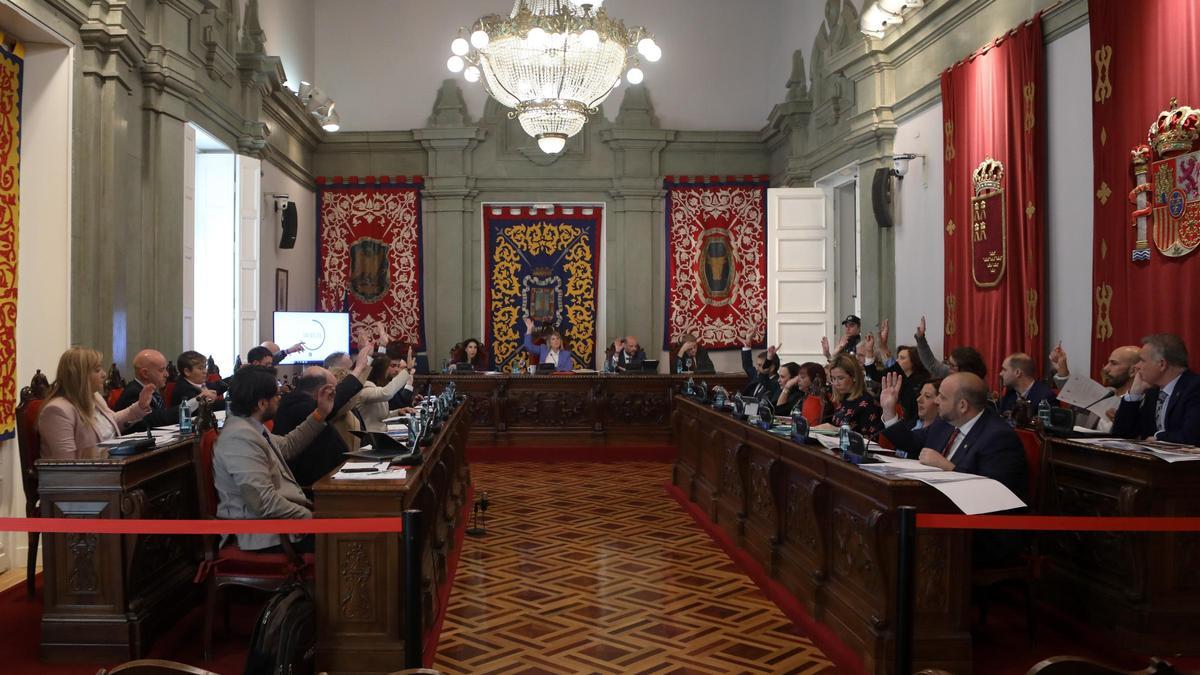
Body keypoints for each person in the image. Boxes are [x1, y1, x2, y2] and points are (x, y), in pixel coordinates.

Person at [881, 372, 1029, 565]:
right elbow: (913, 442)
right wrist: (889, 410)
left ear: (962, 405)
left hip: (980, 531)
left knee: (899, 535)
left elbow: (994, 495)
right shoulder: (945, 423)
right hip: (939, 509)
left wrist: (948, 467)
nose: (936, 402)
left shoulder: (998, 437)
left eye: (942, 397)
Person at [212, 365, 336, 553]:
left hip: (280, 524)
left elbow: (287, 446)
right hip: (265, 536)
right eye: (276, 395)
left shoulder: (250, 427)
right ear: (262, 403)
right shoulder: (239, 437)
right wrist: (310, 517)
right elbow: (262, 501)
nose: (280, 398)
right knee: (348, 540)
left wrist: (320, 413)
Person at [272, 346, 371, 487]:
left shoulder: (300, 401)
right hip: (316, 485)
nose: (334, 395)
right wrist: (359, 368)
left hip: (332, 476)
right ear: (323, 391)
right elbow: (339, 400)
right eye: (332, 391)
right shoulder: (298, 405)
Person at [38, 347, 155, 459]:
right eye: (97, 370)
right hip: (84, 476)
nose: (104, 374)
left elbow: (112, 421)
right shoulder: (57, 411)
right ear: (80, 375)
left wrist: (140, 407)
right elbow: (67, 463)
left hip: (110, 466)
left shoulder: (94, 396)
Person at [1112, 333, 1200, 445]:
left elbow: (1192, 437)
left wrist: (1158, 437)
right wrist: (1134, 395)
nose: (1137, 366)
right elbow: (1122, 435)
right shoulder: (1153, 391)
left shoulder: (1195, 388)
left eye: (1142, 361)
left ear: (1162, 364)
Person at [1048, 343, 1140, 432]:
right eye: (1108, 363)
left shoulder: (1141, 404)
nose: (1106, 369)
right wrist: (1061, 367)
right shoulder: (1106, 393)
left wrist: (1122, 423)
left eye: (1114, 363)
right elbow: (1072, 393)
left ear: (1133, 371)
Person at [114, 349, 213, 431]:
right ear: (145, 373)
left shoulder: (153, 391)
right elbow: (159, 419)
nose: (167, 374)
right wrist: (197, 400)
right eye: (161, 370)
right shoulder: (134, 392)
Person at [816, 353, 883, 440]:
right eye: (833, 378)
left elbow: (870, 439)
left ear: (854, 377)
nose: (836, 383)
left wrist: (837, 430)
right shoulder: (844, 398)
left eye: (840, 378)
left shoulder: (867, 403)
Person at [912, 315, 988, 380]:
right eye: (948, 363)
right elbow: (932, 365)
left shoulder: (976, 389)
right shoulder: (950, 372)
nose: (948, 368)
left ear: (966, 369)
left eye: (952, 365)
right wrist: (921, 338)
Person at [353, 355, 415, 431]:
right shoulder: (364, 388)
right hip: (370, 438)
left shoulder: (377, 387)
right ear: (380, 370)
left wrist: (398, 412)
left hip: (382, 433)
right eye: (390, 366)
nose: (396, 370)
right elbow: (386, 393)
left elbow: (383, 417)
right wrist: (407, 371)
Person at [740, 336, 781, 403]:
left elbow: (765, 381)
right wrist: (747, 347)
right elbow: (748, 366)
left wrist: (769, 359)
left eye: (760, 365)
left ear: (772, 368)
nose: (757, 368)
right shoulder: (757, 375)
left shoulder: (777, 383)